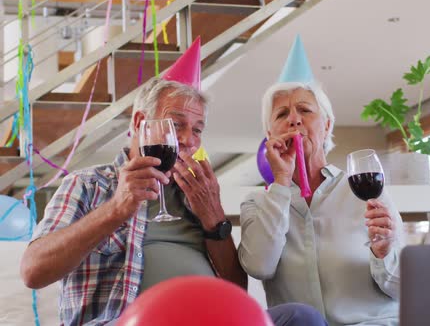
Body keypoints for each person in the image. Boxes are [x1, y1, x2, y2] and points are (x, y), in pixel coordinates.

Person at [20, 38, 325, 326]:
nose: (187, 140)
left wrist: (214, 218)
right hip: (123, 322)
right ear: (140, 123)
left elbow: (236, 291)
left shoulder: (196, 192)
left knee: (298, 317)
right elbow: (34, 271)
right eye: (176, 125)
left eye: (197, 130)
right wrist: (116, 209)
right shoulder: (88, 184)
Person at [238, 36, 405, 326]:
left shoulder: (365, 194)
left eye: (304, 110)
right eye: (282, 114)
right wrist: (280, 180)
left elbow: (404, 288)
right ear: (270, 134)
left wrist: (384, 252)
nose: (294, 119)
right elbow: (260, 266)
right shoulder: (258, 202)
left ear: (326, 125)